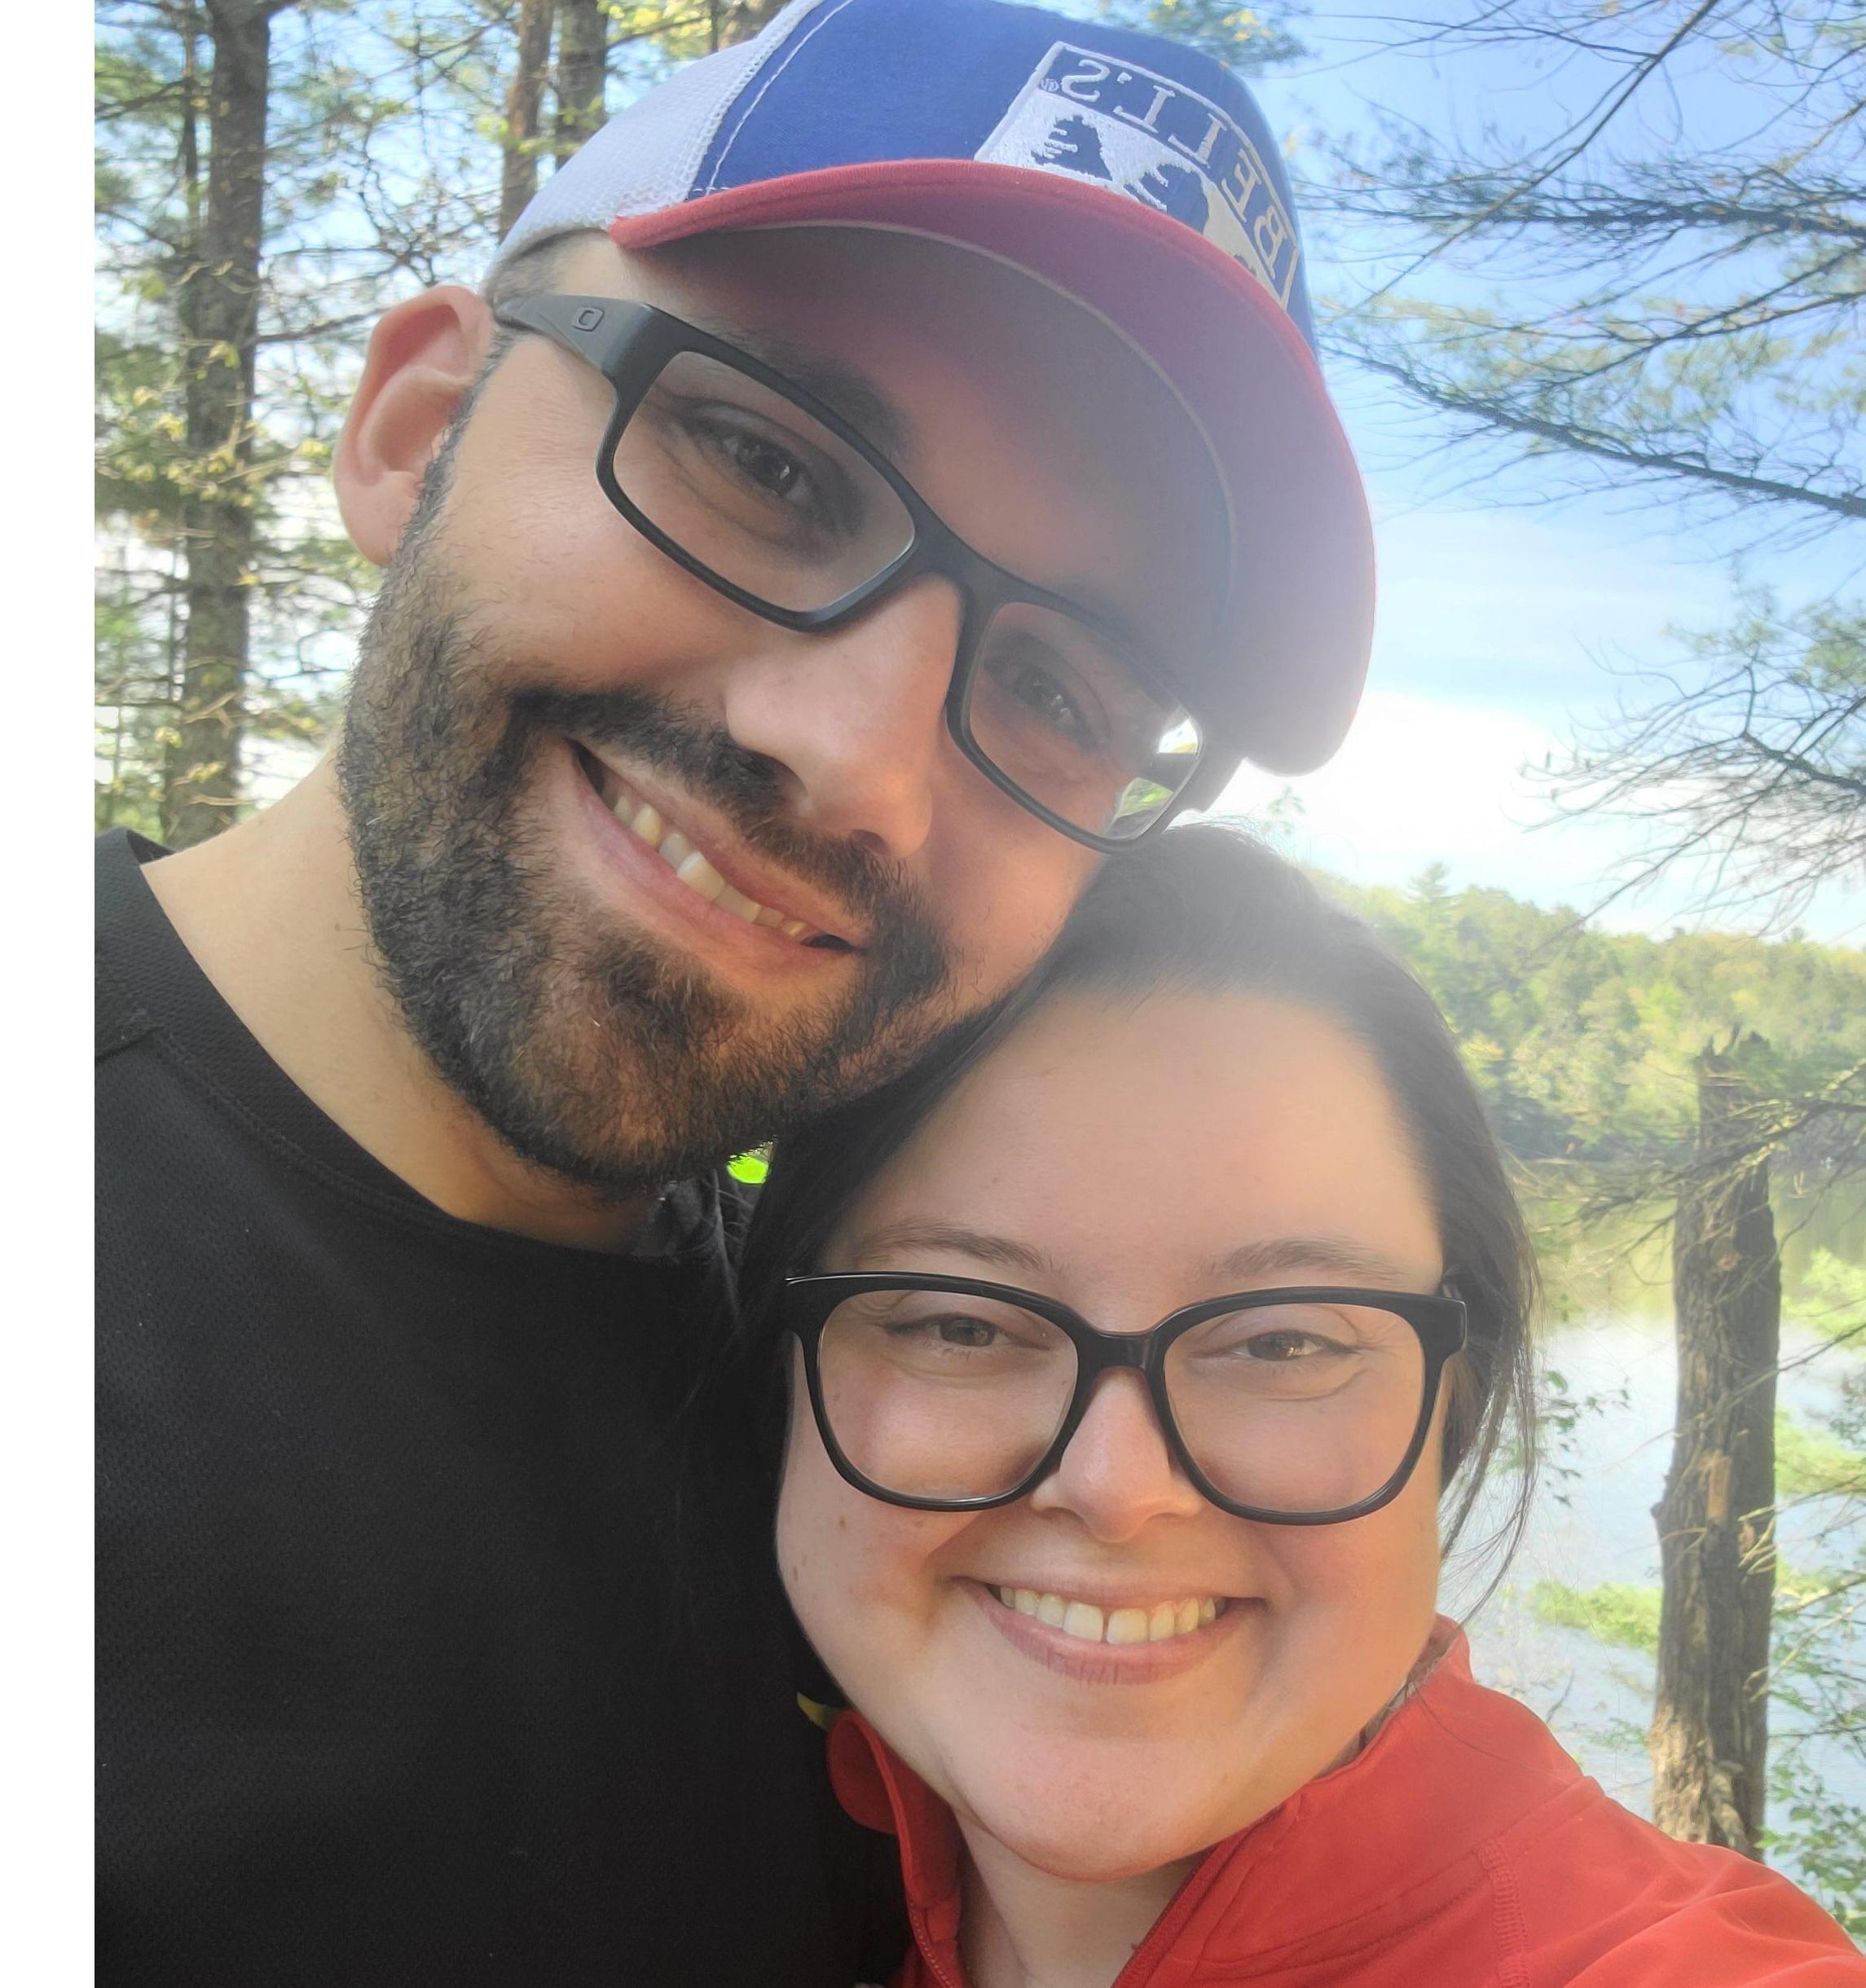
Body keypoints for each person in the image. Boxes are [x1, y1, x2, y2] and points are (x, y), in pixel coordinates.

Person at [96, 2, 1379, 1981]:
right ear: (417, 427)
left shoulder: (903, 1419)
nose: (858, 762)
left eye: (1056, 690)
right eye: (767, 464)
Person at [738, 826, 1866, 1986]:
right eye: (961, 1324)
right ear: (781, 1368)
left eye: (1283, 1341)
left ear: (1454, 1401)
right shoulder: (751, 1868)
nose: (1117, 1486)